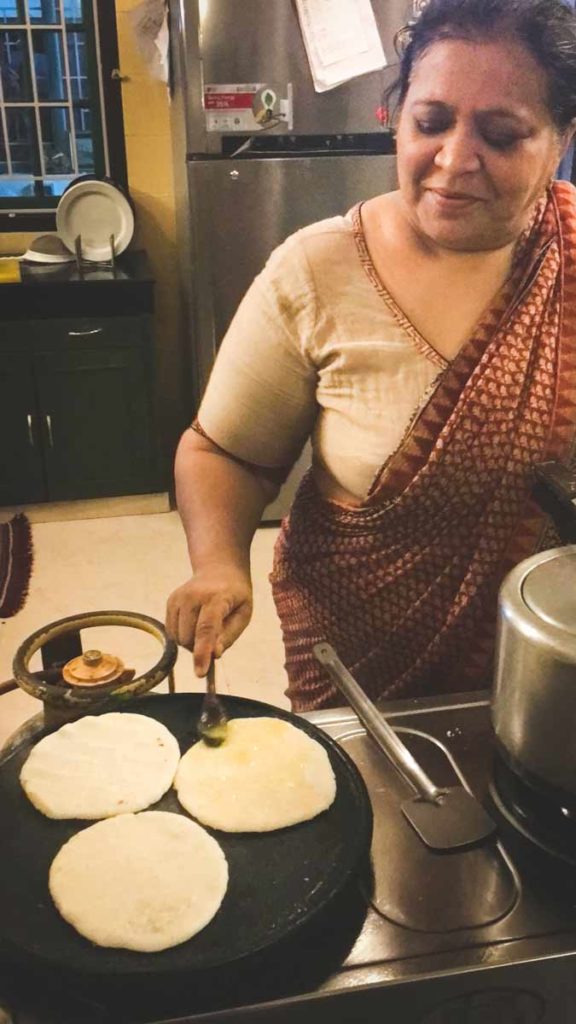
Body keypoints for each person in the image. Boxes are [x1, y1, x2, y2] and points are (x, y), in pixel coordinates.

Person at [166, 0, 576, 712]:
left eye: (502, 134)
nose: (453, 160)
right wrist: (220, 564)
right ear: (398, 117)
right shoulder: (317, 270)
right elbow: (223, 452)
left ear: (563, 137)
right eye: (430, 122)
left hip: (549, 667)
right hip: (358, 678)